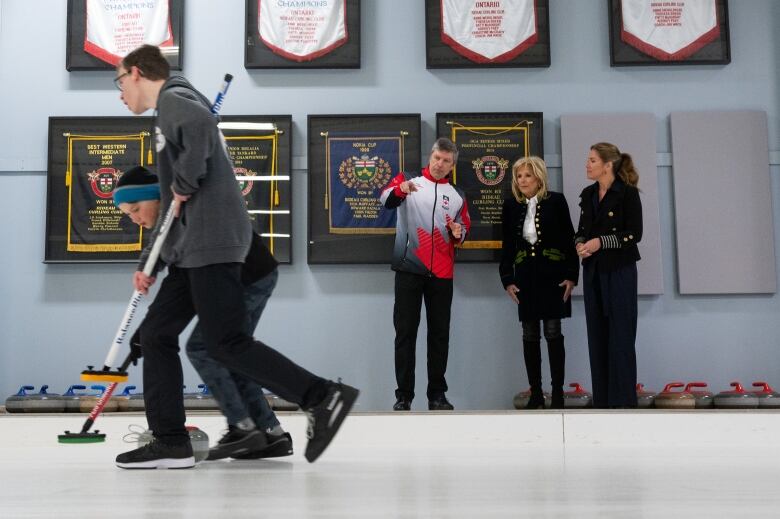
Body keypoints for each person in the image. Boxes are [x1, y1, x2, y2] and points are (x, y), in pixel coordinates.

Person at [112, 44, 358, 469]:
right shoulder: (173, 105)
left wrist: (185, 180)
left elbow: (202, 126)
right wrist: (148, 265)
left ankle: (322, 397)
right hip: (192, 251)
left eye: (119, 82)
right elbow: (171, 213)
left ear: (136, 72)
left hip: (212, 246)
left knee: (224, 344)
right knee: (156, 334)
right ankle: (170, 441)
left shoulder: (173, 98)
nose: (119, 93)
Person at [114, 166, 293, 461]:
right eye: (127, 214)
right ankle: (270, 433)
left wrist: (152, 322)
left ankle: (245, 428)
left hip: (249, 276)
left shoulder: (182, 213)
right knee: (225, 350)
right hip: (250, 275)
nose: (134, 218)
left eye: (135, 208)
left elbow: (177, 269)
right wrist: (147, 322)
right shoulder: (168, 220)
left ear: (157, 197)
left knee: (208, 348)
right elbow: (164, 258)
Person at [379, 138, 471, 411]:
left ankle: (437, 394)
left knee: (439, 334)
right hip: (409, 268)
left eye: (446, 161)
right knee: (405, 332)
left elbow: (463, 228)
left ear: (452, 165)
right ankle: (404, 394)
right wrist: (401, 190)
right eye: (437, 158)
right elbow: (385, 199)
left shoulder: (457, 195)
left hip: (442, 274)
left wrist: (458, 232)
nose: (440, 164)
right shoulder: (409, 179)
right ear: (430, 157)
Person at [499, 157, 578, 409]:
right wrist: (507, 279)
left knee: (553, 332)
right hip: (525, 276)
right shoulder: (511, 206)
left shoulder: (556, 201)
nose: (522, 180)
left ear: (539, 178)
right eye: (519, 176)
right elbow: (507, 246)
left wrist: (572, 276)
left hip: (553, 275)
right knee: (529, 333)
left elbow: (569, 239)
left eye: (527, 176)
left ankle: (557, 392)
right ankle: (535, 392)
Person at [575, 142, 642, 408]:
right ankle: (602, 401)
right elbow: (581, 230)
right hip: (593, 272)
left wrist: (601, 242)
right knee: (597, 336)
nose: (587, 164)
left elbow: (634, 234)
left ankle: (623, 401)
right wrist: (580, 243)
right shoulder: (588, 194)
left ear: (608, 165)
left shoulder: (627, 194)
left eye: (592, 160)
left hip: (620, 271)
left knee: (621, 336)